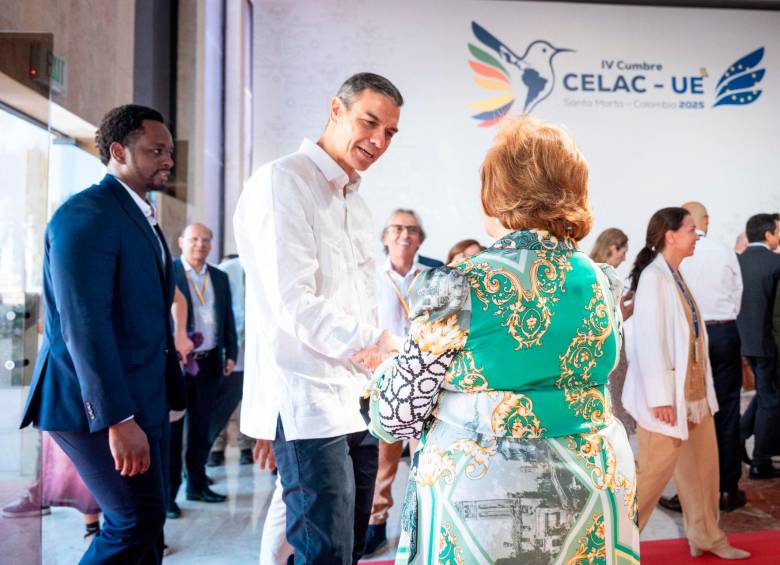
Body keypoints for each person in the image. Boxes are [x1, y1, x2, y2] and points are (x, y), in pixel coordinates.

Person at [365, 115, 639, 563]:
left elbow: (399, 415)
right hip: (592, 489)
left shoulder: (455, 286)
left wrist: (387, 369)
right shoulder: (603, 281)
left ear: (496, 192)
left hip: (486, 505)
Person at [234, 72, 403, 564]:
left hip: (357, 397)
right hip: (305, 398)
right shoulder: (283, 181)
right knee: (323, 550)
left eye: (390, 132)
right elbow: (293, 302)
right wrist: (379, 342)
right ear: (336, 109)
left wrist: (378, 365)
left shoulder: (355, 200)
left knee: (349, 544)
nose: (378, 141)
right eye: (369, 122)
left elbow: (360, 300)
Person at [19, 104, 184, 563]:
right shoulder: (87, 214)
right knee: (133, 522)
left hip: (140, 394)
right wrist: (117, 418)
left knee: (149, 526)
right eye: (155, 150)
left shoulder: (138, 214)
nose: (168, 160)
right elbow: (84, 324)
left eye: (170, 151)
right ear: (118, 152)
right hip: (89, 402)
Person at [622, 207, 749, 560]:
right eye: (692, 230)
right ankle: (612, 545)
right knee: (651, 478)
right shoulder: (654, 278)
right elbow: (650, 342)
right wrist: (661, 398)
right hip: (665, 401)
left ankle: (707, 536)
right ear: (670, 235)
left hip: (693, 397)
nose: (697, 237)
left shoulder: (675, 274)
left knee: (703, 472)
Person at [364, 208, 431, 556]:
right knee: (383, 460)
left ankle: (421, 522)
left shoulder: (431, 278)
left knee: (425, 459)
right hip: (385, 380)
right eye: (398, 228)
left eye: (412, 230)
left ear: (420, 239)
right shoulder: (371, 278)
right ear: (385, 236)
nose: (405, 235)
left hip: (423, 380)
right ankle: (376, 523)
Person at [678, 202, 745, 511]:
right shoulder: (723, 251)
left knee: (693, 412)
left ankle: (692, 492)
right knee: (728, 409)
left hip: (691, 336)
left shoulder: (677, 253)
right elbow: (737, 294)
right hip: (724, 332)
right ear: (705, 220)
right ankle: (728, 489)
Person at [168, 223, 238, 517]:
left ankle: (197, 484)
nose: (200, 244)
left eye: (206, 239)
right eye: (194, 239)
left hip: (209, 363)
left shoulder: (219, 277)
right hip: (178, 364)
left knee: (201, 429)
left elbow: (226, 317)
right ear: (181, 241)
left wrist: (230, 352)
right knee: (173, 433)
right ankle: (169, 495)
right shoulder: (169, 272)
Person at [736, 213, 780, 479]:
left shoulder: (736, 261)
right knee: (770, 399)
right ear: (768, 234)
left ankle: (739, 435)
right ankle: (761, 460)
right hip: (768, 342)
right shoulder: (776, 263)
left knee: (767, 394)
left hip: (743, 341)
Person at [207, 254, 255, 467]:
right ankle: (216, 447)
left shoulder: (261, 264)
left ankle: (246, 446)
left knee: (247, 399)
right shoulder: (225, 269)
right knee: (223, 398)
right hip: (229, 342)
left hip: (253, 345)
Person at [589, 227, 636, 434]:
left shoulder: (589, 268)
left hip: (601, 347)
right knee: (615, 401)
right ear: (613, 247)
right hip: (608, 346)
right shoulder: (602, 274)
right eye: (623, 252)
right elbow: (611, 316)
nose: (624, 258)